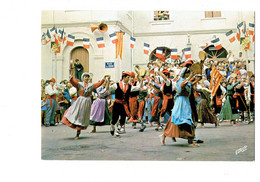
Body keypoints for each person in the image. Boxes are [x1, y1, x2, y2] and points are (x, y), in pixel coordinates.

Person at [61, 72, 109, 139]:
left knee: (82, 117)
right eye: (85, 77)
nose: (86, 78)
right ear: (83, 78)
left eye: (87, 77)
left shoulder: (91, 85)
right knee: (75, 113)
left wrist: (103, 79)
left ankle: (78, 132)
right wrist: (71, 79)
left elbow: (98, 84)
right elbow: (74, 83)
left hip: (87, 102)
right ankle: (72, 126)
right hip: (81, 100)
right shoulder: (80, 84)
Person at [161, 66, 199, 146]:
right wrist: (189, 78)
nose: (189, 74)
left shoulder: (187, 81)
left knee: (188, 118)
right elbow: (182, 86)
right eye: (188, 73)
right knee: (176, 118)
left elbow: (188, 86)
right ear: (185, 74)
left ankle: (190, 139)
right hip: (180, 101)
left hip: (185, 101)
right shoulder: (180, 81)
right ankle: (164, 135)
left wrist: (195, 79)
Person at [108, 72, 144, 136]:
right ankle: (112, 126)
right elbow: (109, 89)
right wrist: (108, 82)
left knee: (123, 117)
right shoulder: (117, 85)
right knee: (115, 118)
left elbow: (138, 88)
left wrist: (141, 81)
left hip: (124, 104)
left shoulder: (129, 86)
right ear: (124, 77)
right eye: (128, 77)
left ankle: (119, 129)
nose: (129, 78)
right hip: (117, 103)